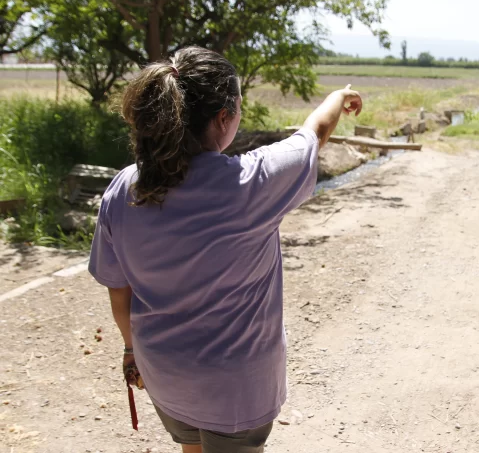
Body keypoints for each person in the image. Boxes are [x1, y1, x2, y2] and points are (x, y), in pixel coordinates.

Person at [88, 46, 362, 453]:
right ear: (223, 117)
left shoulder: (124, 187)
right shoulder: (253, 184)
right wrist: (339, 97)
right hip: (235, 388)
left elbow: (118, 290)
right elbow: (314, 133)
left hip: (163, 372)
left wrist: (131, 349)